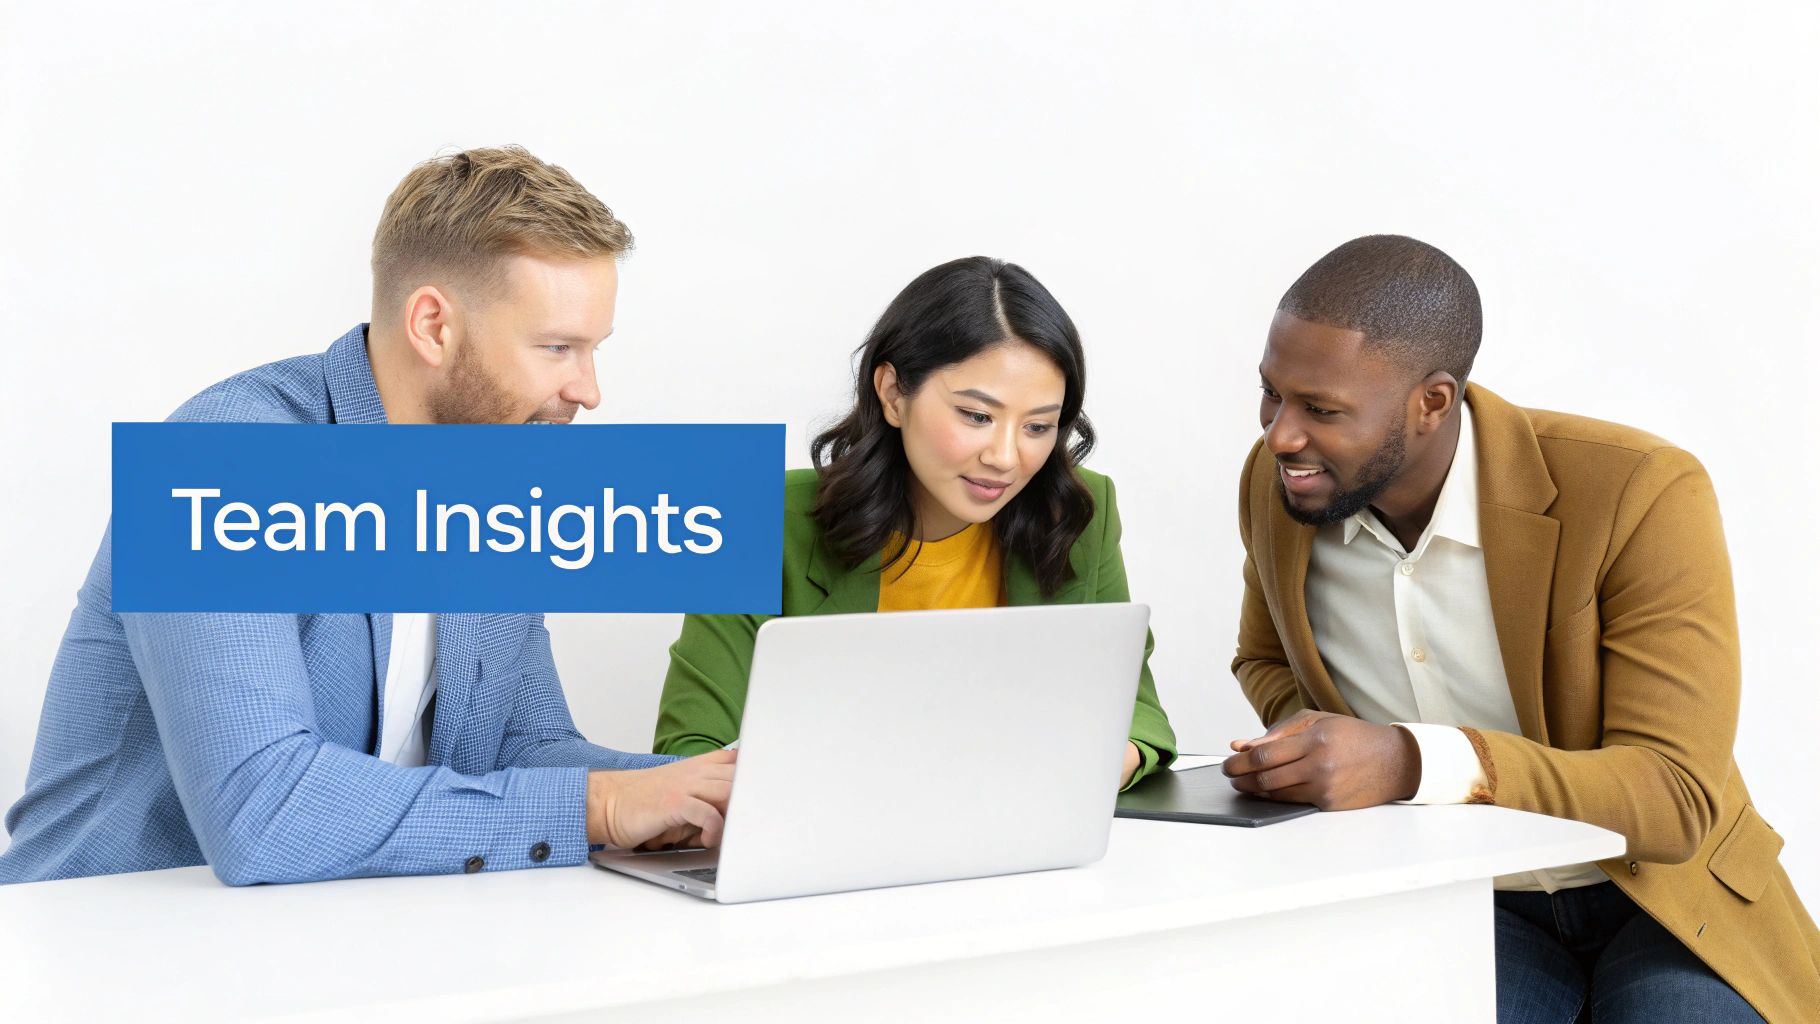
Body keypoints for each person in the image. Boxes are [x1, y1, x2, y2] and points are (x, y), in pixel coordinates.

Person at [0, 146, 735, 886]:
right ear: (433, 326)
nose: (588, 390)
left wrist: (707, 790)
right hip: (102, 940)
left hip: (334, 937)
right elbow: (265, 813)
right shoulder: (222, 457)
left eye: (592, 350)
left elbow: (520, 746)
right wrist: (602, 805)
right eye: (556, 348)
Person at [1221, 234, 1817, 1022]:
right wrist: (1310, 750)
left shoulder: (1636, 490)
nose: (1281, 435)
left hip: (1667, 902)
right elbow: (1263, 657)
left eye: (1322, 410)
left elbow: (1673, 797)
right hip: (1461, 898)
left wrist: (1410, 761)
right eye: (1273, 394)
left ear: (1431, 401)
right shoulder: (1282, 488)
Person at [653, 256, 1175, 787]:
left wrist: (1109, 757)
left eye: (1038, 426)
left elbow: (1135, 708)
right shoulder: (757, 518)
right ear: (893, 394)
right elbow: (690, 753)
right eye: (977, 416)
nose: (1006, 456)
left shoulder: (1079, 511)